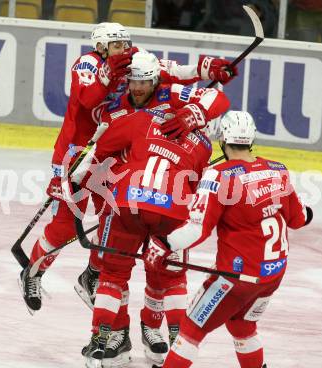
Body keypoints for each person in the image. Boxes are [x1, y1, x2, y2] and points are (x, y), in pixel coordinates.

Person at [18, 21, 237, 314]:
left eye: (125, 42)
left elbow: (172, 72)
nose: (124, 48)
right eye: (116, 44)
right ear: (100, 47)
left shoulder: (135, 61)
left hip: (117, 153)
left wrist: (207, 69)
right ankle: (33, 271)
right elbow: (87, 99)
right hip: (78, 154)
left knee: (114, 218)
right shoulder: (87, 64)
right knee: (66, 225)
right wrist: (109, 73)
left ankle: (92, 275)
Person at [77, 51, 230, 368]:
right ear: (128, 78)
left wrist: (77, 178)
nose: (137, 87)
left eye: (145, 82)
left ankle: (135, 330)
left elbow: (98, 153)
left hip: (127, 199)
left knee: (120, 273)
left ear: (156, 80)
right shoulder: (199, 143)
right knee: (165, 275)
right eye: (134, 81)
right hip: (157, 205)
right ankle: (121, 337)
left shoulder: (161, 100)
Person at [144, 110, 313, 368]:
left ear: (222, 140)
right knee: (242, 324)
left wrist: (163, 243)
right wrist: (309, 211)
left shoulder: (219, 175)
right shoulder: (278, 171)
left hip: (235, 279)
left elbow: (196, 231)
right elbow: (299, 219)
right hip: (272, 276)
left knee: (190, 328)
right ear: (251, 140)